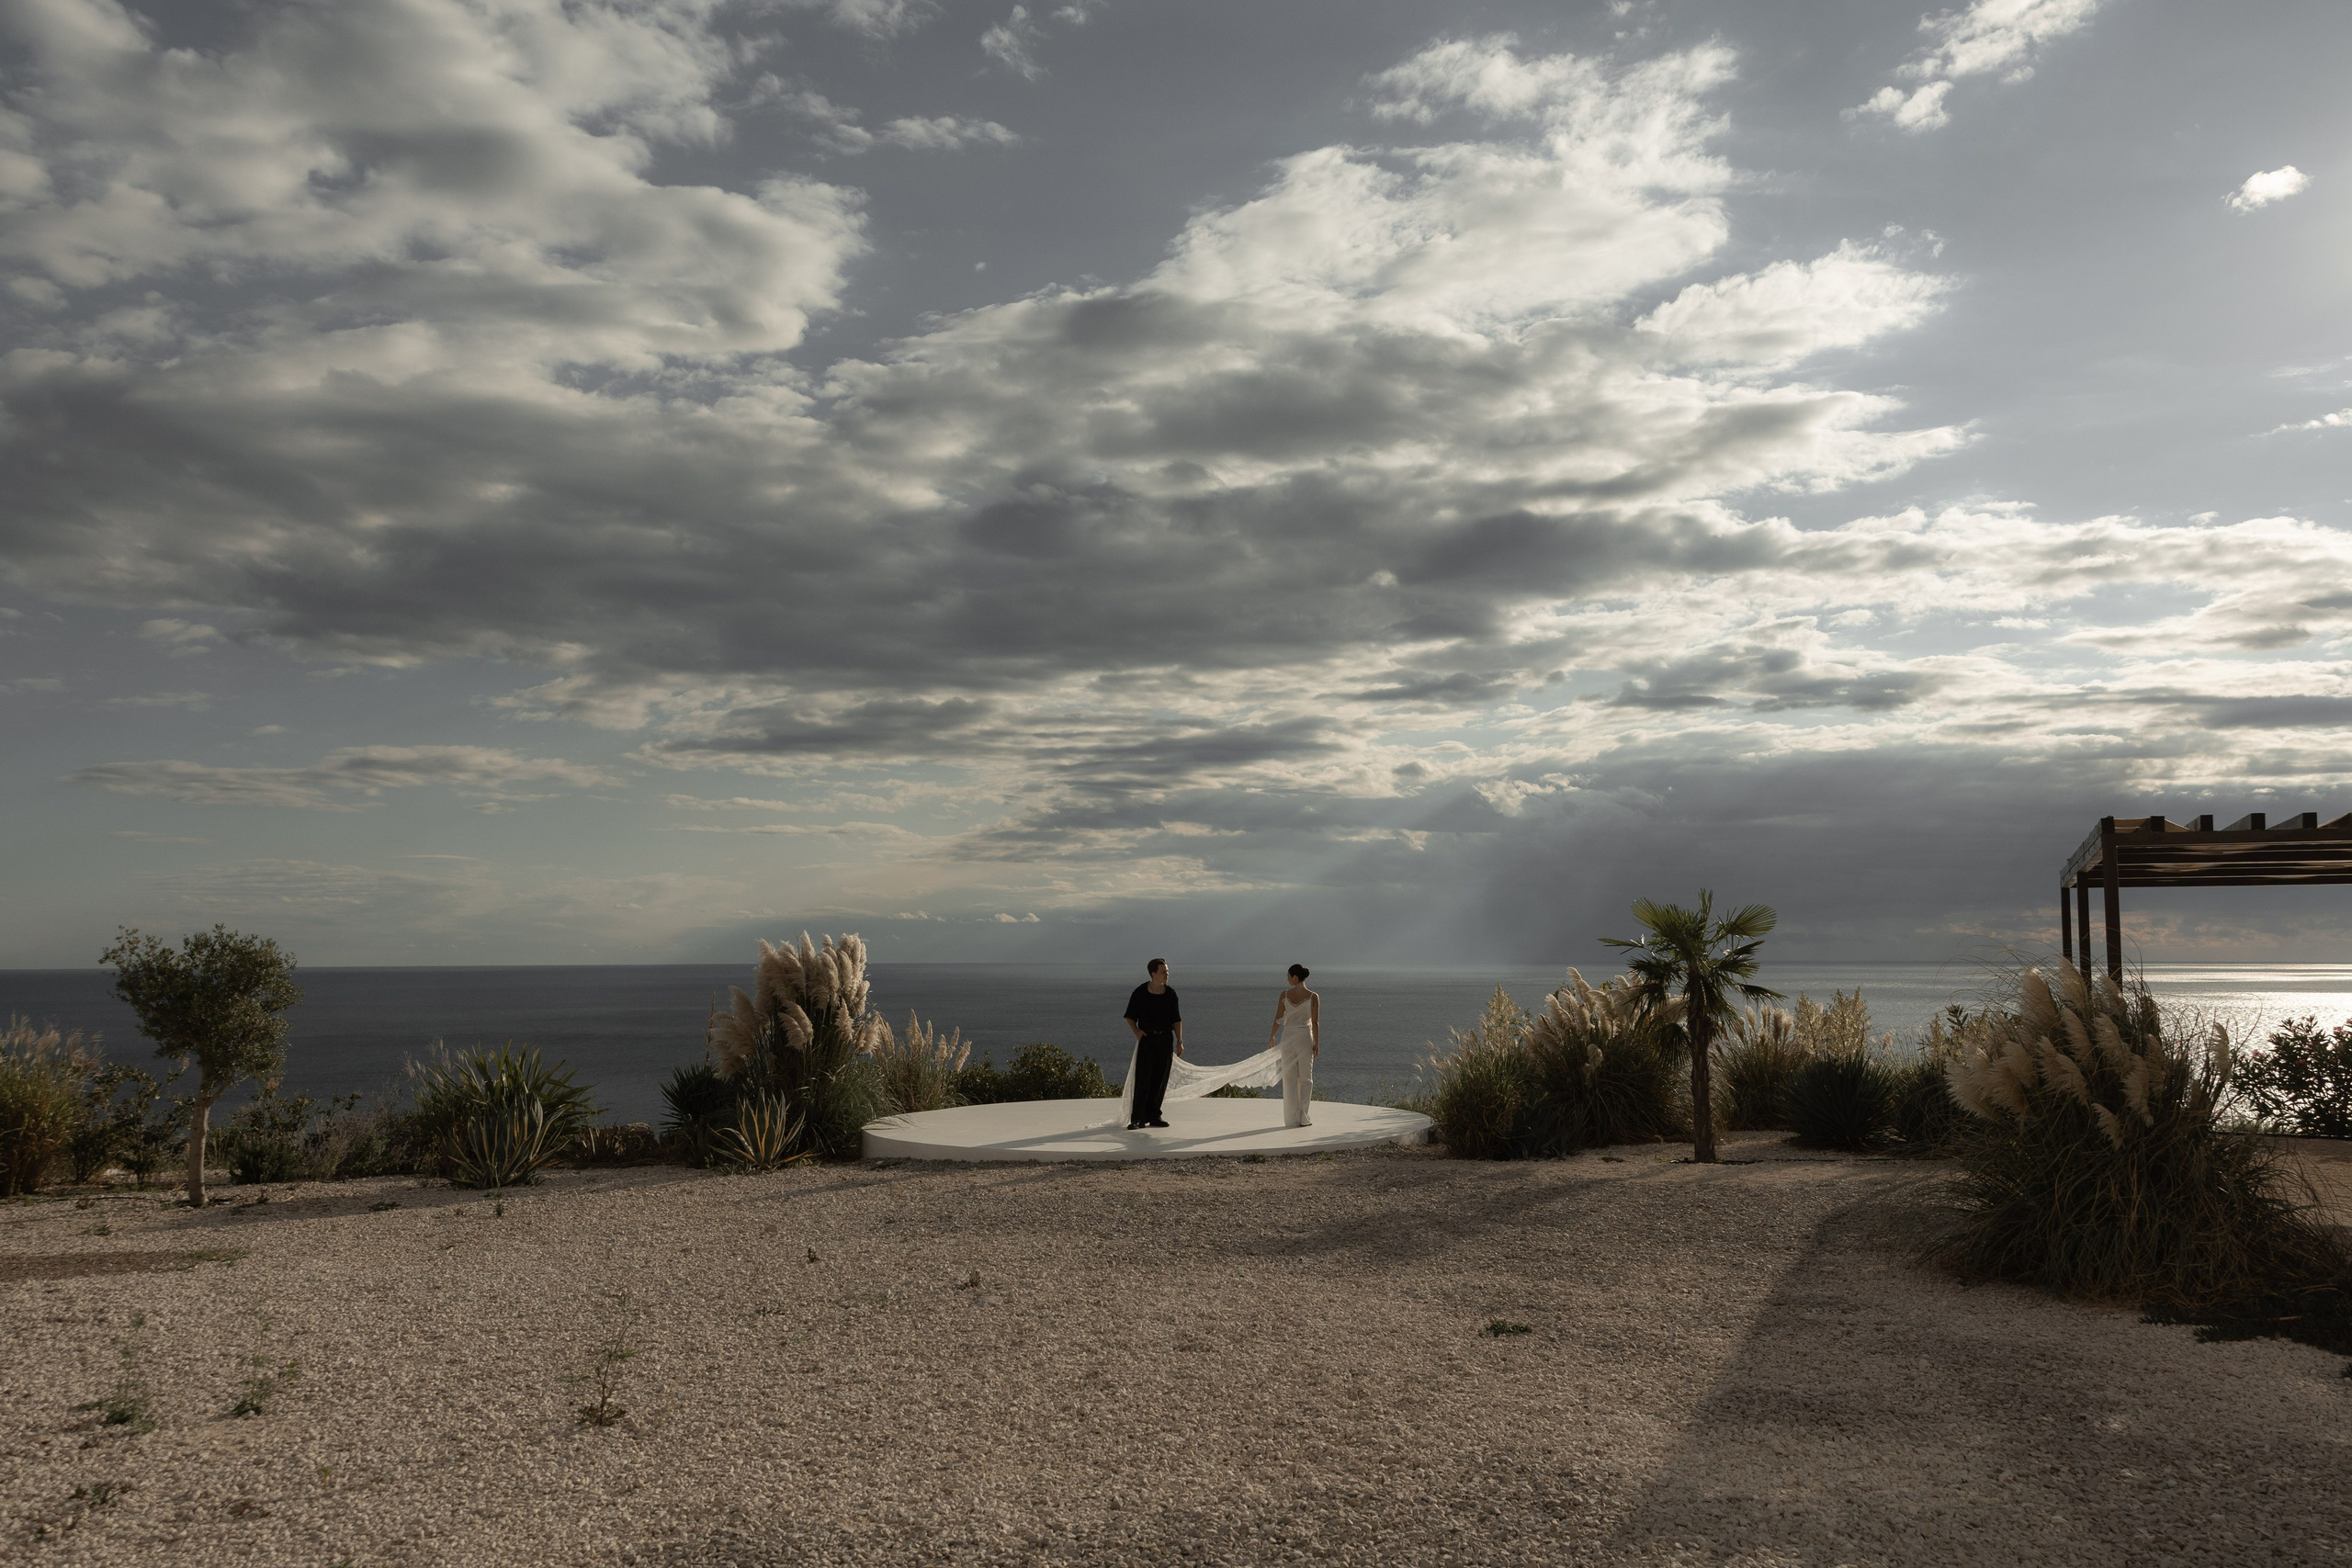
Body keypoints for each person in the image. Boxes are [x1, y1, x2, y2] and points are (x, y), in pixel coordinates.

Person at [1122, 958, 1182, 1130]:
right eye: (1163, 972)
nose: (1167, 974)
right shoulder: (1140, 992)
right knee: (1143, 1078)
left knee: (1160, 1079)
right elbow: (1130, 1016)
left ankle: (1154, 1116)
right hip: (1147, 1040)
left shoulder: (1170, 994)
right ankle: (1137, 1118)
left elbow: (1176, 1020)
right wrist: (1137, 1033)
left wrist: (1179, 1041)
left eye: (1167, 971)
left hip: (1165, 1040)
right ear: (1153, 974)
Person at [1266, 964, 1319, 1128]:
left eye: (1288, 976)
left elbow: (1278, 1018)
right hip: (1304, 1038)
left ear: (1295, 977)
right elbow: (1315, 1022)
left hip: (1288, 1038)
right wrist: (1316, 1043)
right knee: (1306, 1078)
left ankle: (1291, 1119)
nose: (1287, 979)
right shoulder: (1313, 996)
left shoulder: (1284, 995)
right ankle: (1304, 1117)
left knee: (1289, 1079)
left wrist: (1272, 1036)